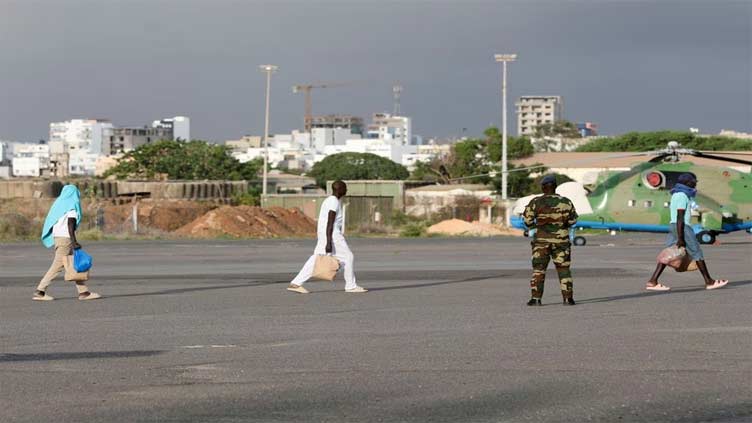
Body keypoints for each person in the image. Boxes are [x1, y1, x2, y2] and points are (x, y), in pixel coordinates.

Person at [646, 173, 728, 291]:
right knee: (697, 253)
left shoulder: (677, 194)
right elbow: (680, 217)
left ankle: (653, 281)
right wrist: (681, 238)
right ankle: (709, 281)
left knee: (669, 253)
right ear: (687, 182)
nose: (696, 183)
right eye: (694, 181)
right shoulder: (682, 196)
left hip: (675, 226)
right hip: (682, 226)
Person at [287, 180, 367, 294]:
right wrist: (329, 242)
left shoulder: (330, 200)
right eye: (345, 188)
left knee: (316, 258)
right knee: (348, 257)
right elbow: (330, 222)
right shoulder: (333, 202)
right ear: (339, 189)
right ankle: (351, 286)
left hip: (325, 234)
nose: (346, 190)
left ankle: (295, 283)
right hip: (332, 235)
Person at [33, 185, 101, 301]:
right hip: (66, 239)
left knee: (74, 264)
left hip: (58, 237)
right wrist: (74, 241)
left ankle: (83, 292)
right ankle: (40, 290)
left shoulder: (59, 205)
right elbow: (71, 224)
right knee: (58, 265)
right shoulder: (71, 205)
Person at [522, 175, 578, 306]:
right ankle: (568, 299)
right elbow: (573, 221)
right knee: (564, 269)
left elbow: (527, 222)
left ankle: (536, 299)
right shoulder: (566, 202)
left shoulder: (535, 202)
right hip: (562, 242)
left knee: (539, 270)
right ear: (555, 186)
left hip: (541, 242)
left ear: (543, 187)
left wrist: (539, 225)